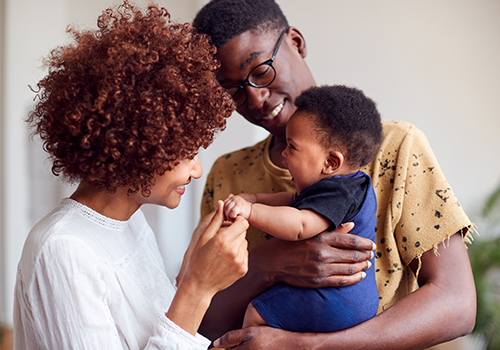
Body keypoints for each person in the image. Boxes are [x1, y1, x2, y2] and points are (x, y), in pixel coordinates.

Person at [192, 0, 477, 349]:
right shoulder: (227, 175)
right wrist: (270, 264)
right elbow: (200, 318)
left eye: (261, 70)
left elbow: (457, 304)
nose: (255, 98)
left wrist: (308, 346)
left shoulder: (397, 147)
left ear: (296, 42)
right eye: (233, 89)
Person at [14, 2, 249, 349]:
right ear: (136, 145)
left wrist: (190, 271)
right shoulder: (63, 250)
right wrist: (197, 289)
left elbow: (148, 332)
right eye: (188, 153)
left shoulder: (130, 222)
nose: (197, 171)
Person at [223, 85, 381, 332]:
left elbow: (299, 225)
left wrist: (250, 211)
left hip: (336, 299)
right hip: (352, 298)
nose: (284, 154)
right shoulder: (348, 185)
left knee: (256, 312)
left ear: (330, 162)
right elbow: (290, 201)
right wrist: (255, 197)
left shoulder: (338, 193)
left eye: (292, 147)